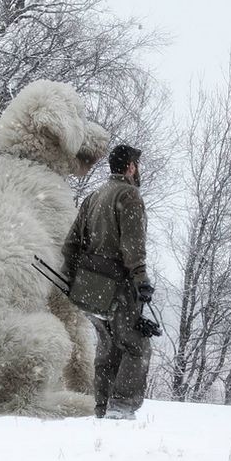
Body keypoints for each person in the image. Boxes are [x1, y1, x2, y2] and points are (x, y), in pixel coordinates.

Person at [61, 144, 154, 419]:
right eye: (137, 165)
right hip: (120, 286)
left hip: (90, 287)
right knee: (137, 346)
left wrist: (72, 280)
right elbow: (133, 246)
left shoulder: (93, 197)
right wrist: (141, 279)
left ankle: (102, 408)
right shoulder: (129, 195)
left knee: (108, 347)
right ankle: (122, 407)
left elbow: (71, 244)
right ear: (131, 167)